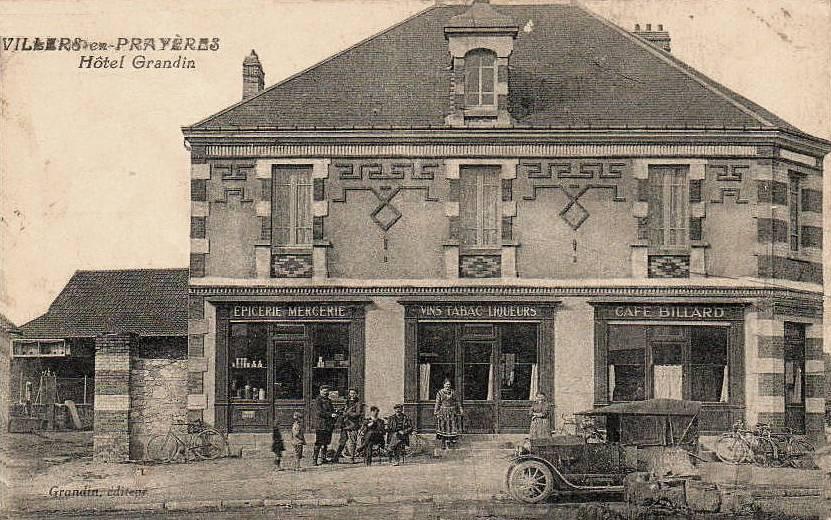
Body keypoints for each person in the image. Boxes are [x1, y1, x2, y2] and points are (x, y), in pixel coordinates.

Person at [333, 388, 364, 464]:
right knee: (342, 441)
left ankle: (351, 458)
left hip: (353, 424)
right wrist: (340, 410)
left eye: (354, 393)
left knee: (352, 441)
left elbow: (358, 413)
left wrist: (347, 413)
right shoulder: (347, 401)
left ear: (357, 394)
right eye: (351, 393)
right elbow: (345, 409)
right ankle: (336, 457)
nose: (352, 395)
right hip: (345, 424)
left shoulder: (358, 403)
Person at [312, 385, 338, 466]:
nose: (325, 393)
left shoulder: (328, 400)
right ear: (320, 391)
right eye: (324, 391)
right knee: (319, 442)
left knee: (326, 442)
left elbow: (331, 410)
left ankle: (323, 458)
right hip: (321, 424)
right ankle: (314, 459)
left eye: (327, 391)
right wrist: (331, 415)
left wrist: (335, 412)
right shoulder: (318, 401)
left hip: (328, 425)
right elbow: (319, 412)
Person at [434, 379, 463, 449]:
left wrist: (461, 409)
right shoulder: (440, 393)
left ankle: (450, 442)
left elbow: (458, 402)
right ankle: (443, 443)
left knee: (451, 426)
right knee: (443, 427)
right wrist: (436, 411)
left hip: (452, 412)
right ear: (444, 385)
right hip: (443, 412)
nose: (448, 386)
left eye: (449, 385)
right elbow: (437, 403)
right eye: (446, 384)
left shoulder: (453, 392)